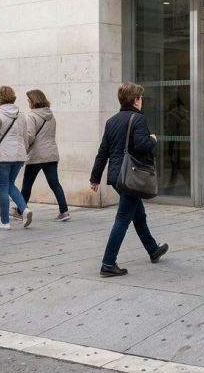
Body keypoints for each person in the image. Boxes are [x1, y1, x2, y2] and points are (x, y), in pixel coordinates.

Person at [89, 82, 169, 277]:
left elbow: (103, 152)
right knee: (123, 218)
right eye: (141, 98)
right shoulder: (138, 119)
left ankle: (153, 249)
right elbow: (142, 145)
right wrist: (153, 139)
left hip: (118, 177)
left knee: (138, 215)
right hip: (130, 176)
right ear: (135, 100)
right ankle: (108, 263)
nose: (142, 101)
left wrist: (95, 177)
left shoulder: (111, 121)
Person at [0, 86, 32, 230]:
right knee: (10, 184)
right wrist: (24, 154)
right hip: (19, 155)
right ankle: (24, 209)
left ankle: (4, 222)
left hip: (3, 156)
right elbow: (25, 137)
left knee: (2, 187)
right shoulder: (20, 114)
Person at [16, 89, 70, 222]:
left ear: (33, 101)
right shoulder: (50, 116)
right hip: (51, 154)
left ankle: (20, 211)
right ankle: (64, 211)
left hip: (36, 155)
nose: (28, 102)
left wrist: (22, 148)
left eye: (29, 100)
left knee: (27, 185)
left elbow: (30, 137)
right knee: (55, 184)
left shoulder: (32, 116)